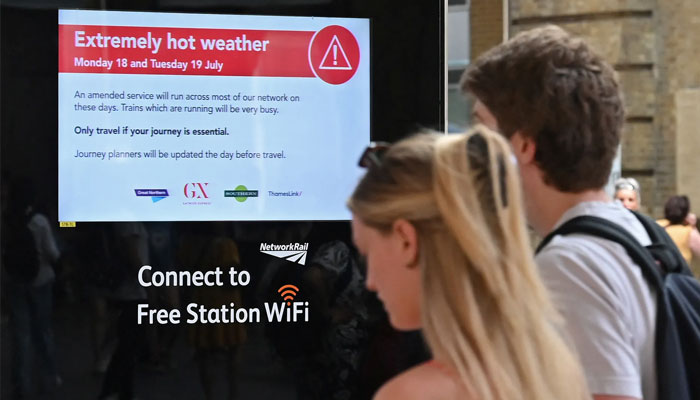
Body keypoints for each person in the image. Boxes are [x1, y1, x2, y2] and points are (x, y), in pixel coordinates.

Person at [462, 25, 656, 400]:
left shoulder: (569, 267)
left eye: (482, 131)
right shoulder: (636, 233)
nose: (472, 151)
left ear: (523, 145)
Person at [348, 128, 590, 400]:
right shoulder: (558, 369)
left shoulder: (412, 394)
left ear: (406, 240)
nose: (369, 281)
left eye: (367, 253)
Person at [657, 195, 700, 265]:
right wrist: (694, 225)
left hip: (657, 272)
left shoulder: (657, 225)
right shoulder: (689, 231)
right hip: (680, 272)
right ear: (686, 212)